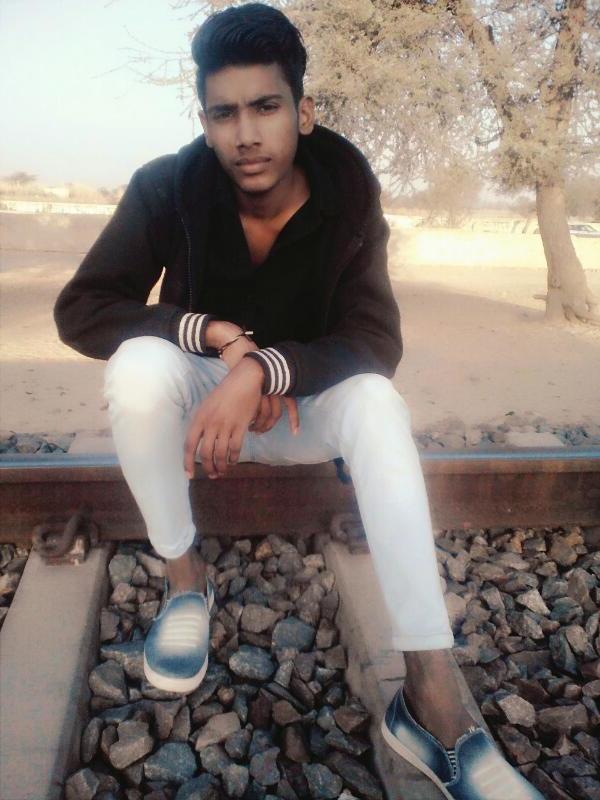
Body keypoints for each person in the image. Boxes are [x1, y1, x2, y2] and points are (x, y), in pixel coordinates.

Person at [53, 5, 543, 798]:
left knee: (377, 402)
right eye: (224, 113)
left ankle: (431, 699)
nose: (246, 134)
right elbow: (83, 311)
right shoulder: (169, 187)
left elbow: (373, 338)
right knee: (138, 366)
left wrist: (266, 370)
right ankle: (186, 582)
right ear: (205, 123)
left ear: (303, 111)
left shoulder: (348, 192)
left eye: (266, 107)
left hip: (299, 405)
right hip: (201, 410)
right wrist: (212, 335)